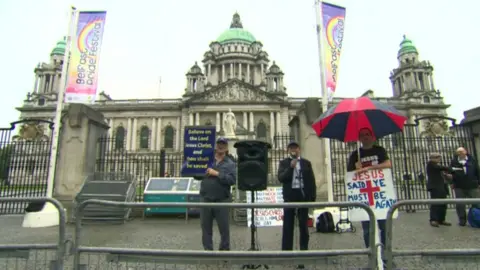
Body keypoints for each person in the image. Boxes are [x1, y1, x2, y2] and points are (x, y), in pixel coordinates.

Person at [346, 128, 392, 263]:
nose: (365, 137)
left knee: (384, 228)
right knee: (367, 230)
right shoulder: (355, 154)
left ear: (372, 137)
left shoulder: (380, 151)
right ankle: (372, 256)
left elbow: (388, 164)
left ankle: (386, 256)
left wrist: (368, 168)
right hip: (364, 197)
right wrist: (356, 168)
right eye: (362, 135)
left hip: (381, 196)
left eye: (367, 134)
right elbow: (350, 174)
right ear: (359, 139)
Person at [278, 141, 316, 269]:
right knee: (288, 225)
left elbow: (311, 180)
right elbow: (281, 178)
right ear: (288, 150)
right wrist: (291, 167)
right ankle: (286, 252)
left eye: (295, 147)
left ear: (299, 149)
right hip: (290, 196)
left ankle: (303, 250)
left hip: (303, 195)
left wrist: (312, 198)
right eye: (291, 148)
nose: (293, 150)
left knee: (303, 225)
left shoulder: (306, 163)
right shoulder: (284, 163)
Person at [199, 137, 236, 250]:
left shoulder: (230, 163)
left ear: (227, 147)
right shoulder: (206, 160)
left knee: (224, 229)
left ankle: (224, 251)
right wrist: (190, 166)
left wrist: (217, 174)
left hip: (222, 200)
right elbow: (197, 175)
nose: (221, 146)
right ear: (215, 146)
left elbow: (232, 180)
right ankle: (208, 251)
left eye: (223, 144)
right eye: (219, 144)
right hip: (206, 199)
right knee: (206, 229)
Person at [449, 147, 480, 226]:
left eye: (462, 151)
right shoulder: (454, 161)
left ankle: (477, 218)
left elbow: (477, 172)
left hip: (472, 185)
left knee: (476, 203)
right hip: (459, 185)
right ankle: (462, 220)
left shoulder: (472, 160)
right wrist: (452, 182)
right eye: (458, 152)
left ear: (466, 152)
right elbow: (451, 173)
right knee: (460, 204)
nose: (460, 153)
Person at [426, 153, 452, 227]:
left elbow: (442, 172)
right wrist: (448, 168)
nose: (439, 159)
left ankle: (441, 219)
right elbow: (441, 167)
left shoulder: (437, 166)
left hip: (442, 187)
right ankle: (433, 220)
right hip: (435, 187)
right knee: (435, 203)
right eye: (438, 158)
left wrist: (447, 175)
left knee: (443, 204)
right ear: (433, 158)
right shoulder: (430, 164)